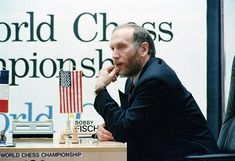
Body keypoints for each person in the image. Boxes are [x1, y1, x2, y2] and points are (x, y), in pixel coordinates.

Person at [93, 23, 219, 161]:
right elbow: (128, 124)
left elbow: (125, 130)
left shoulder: (155, 79)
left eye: (121, 47)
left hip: (192, 157)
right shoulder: (135, 78)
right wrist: (107, 131)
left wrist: (100, 90)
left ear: (144, 49)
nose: (114, 55)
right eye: (112, 48)